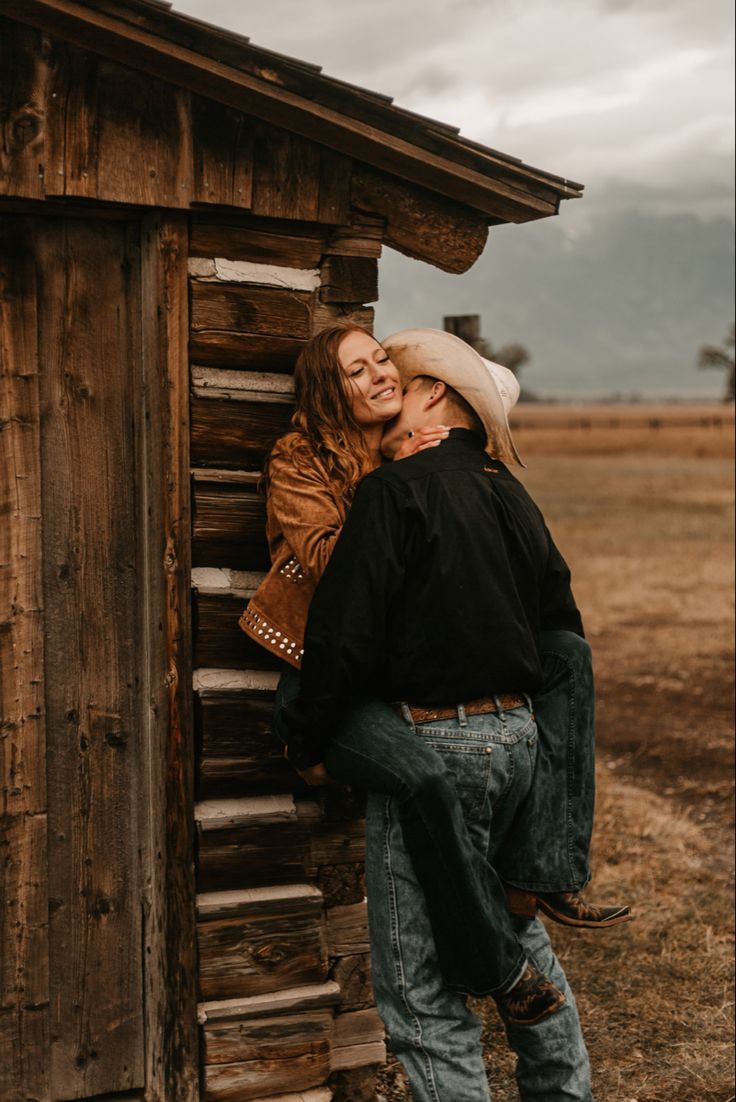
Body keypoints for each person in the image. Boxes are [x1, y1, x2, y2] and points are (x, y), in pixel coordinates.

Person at [260, 326, 611, 1100]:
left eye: (398, 374)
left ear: (434, 405)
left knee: (421, 996)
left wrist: (309, 739)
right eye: (365, 368)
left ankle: (505, 985)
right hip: (516, 734)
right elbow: (562, 624)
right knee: (510, 922)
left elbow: (348, 624)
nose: (391, 378)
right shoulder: (501, 489)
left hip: (437, 731)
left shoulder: (397, 490)